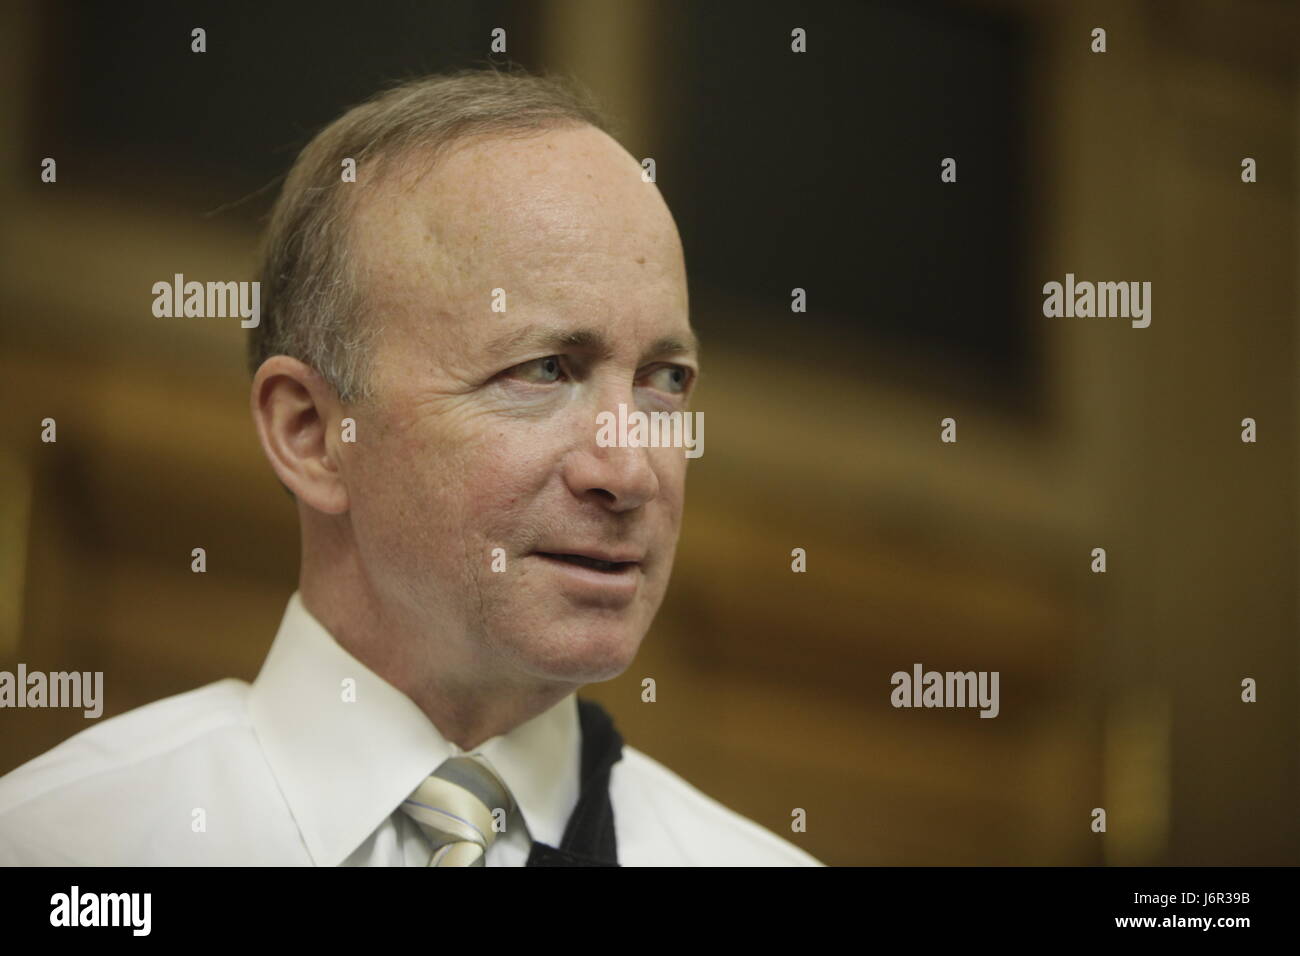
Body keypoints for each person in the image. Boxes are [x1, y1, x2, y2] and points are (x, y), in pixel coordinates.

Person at [0, 67, 821, 867]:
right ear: (312, 434)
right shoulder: (59, 844)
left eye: (664, 380)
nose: (630, 470)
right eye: (544, 370)